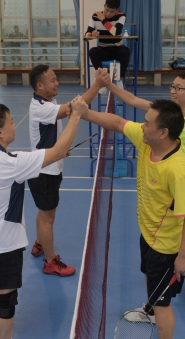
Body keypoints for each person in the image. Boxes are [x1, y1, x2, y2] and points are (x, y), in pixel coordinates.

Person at [0, 97, 89, 339]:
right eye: (11, 121)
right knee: (5, 299)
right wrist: (76, 115)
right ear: (0, 131)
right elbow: (57, 151)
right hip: (4, 244)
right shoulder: (13, 163)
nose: (15, 125)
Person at [101, 70, 185, 310]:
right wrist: (109, 85)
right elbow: (132, 100)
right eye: (172, 86)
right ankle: (157, 291)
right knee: (159, 241)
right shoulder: (164, 114)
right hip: (163, 189)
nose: (173, 91)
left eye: (179, 88)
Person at [83, 100, 185, 339]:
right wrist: (84, 113)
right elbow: (117, 122)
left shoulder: (178, 170)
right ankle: (151, 309)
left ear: (163, 132)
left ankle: (157, 312)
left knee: (163, 304)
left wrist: (183, 257)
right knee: (150, 281)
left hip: (166, 248)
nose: (142, 126)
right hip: (148, 234)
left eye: (147, 123)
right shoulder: (147, 141)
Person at [27, 64, 110, 276]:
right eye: (53, 80)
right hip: (44, 172)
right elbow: (74, 109)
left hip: (47, 165)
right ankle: (50, 262)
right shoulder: (41, 107)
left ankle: (39, 243)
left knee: (44, 212)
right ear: (40, 85)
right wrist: (97, 84)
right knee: (48, 216)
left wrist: (59, 149)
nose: (57, 83)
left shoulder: (47, 102)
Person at [85, 0, 131, 80]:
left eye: (112, 12)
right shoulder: (95, 16)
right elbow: (87, 34)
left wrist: (103, 19)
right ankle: (102, 78)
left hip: (117, 49)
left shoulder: (121, 16)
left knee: (126, 51)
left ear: (116, 10)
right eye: (107, 10)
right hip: (103, 49)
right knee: (93, 52)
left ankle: (120, 79)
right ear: (104, 6)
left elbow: (115, 32)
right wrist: (92, 35)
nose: (108, 14)